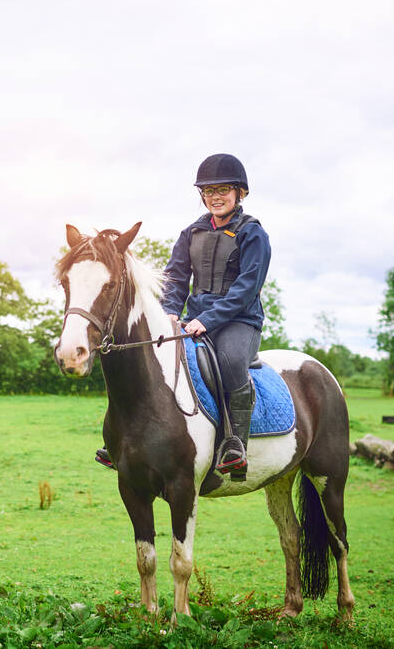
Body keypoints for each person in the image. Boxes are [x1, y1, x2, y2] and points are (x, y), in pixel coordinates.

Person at [95, 153, 270, 480]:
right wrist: (172, 312)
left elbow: (247, 287)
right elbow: (175, 278)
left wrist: (210, 318)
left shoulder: (253, 234)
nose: (215, 197)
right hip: (193, 321)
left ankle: (235, 444)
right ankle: (123, 439)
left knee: (231, 361)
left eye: (223, 190)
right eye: (208, 191)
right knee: (151, 361)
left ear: (240, 193)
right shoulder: (191, 233)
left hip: (239, 322)